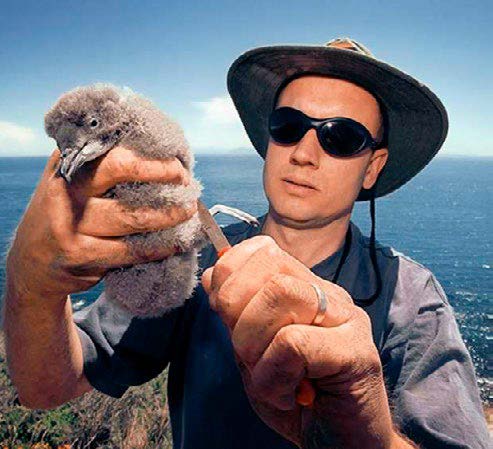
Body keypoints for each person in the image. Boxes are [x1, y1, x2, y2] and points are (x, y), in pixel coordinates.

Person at [2, 37, 489, 449]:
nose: (303, 152)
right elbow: (48, 385)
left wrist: (367, 432)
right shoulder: (192, 257)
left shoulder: (411, 298)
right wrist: (33, 285)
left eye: (341, 138)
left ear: (373, 167)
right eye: (288, 126)